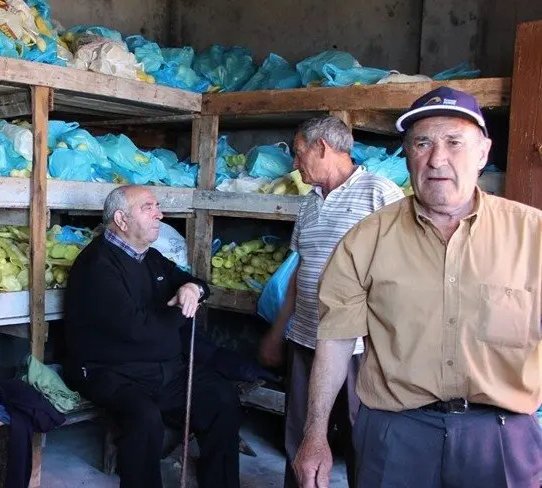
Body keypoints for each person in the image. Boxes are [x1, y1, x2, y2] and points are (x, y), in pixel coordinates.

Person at [294, 86, 542, 488]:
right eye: (422, 143)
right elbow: (337, 340)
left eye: (454, 142)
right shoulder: (366, 238)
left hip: (500, 437)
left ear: (483, 153)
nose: (437, 158)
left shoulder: (533, 235)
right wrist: (315, 434)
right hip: (395, 434)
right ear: (407, 155)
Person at [259, 115, 404, 488]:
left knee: (363, 440)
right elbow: (299, 270)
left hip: (358, 349)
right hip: (305, 339)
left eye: (297, 153)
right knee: (302, 437)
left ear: (321, 148)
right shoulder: (308, 203)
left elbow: (401, 275)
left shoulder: (380, 192)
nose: (294, 163)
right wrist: (279, 332)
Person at [62, 185, 241, 488]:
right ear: (121, 219)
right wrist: (182, 310)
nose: (160, 214)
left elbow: (196, 283)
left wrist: (191, 289)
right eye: (148, 207)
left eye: (157, 206)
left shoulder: (151, 258)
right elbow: (137, 329)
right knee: (144, 419)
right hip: (111, 371)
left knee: (222, 398)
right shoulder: (96, 266)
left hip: (163, 369)